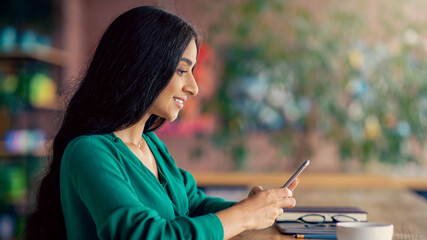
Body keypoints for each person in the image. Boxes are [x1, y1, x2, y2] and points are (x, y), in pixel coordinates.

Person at [23, 6, 298, 240]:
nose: (193, 87)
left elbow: (190, 204)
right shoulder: (88, 151)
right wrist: (242, 217)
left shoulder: (149, 143)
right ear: (142, 67)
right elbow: (143, 234)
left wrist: (250, 207)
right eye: (181, 70)